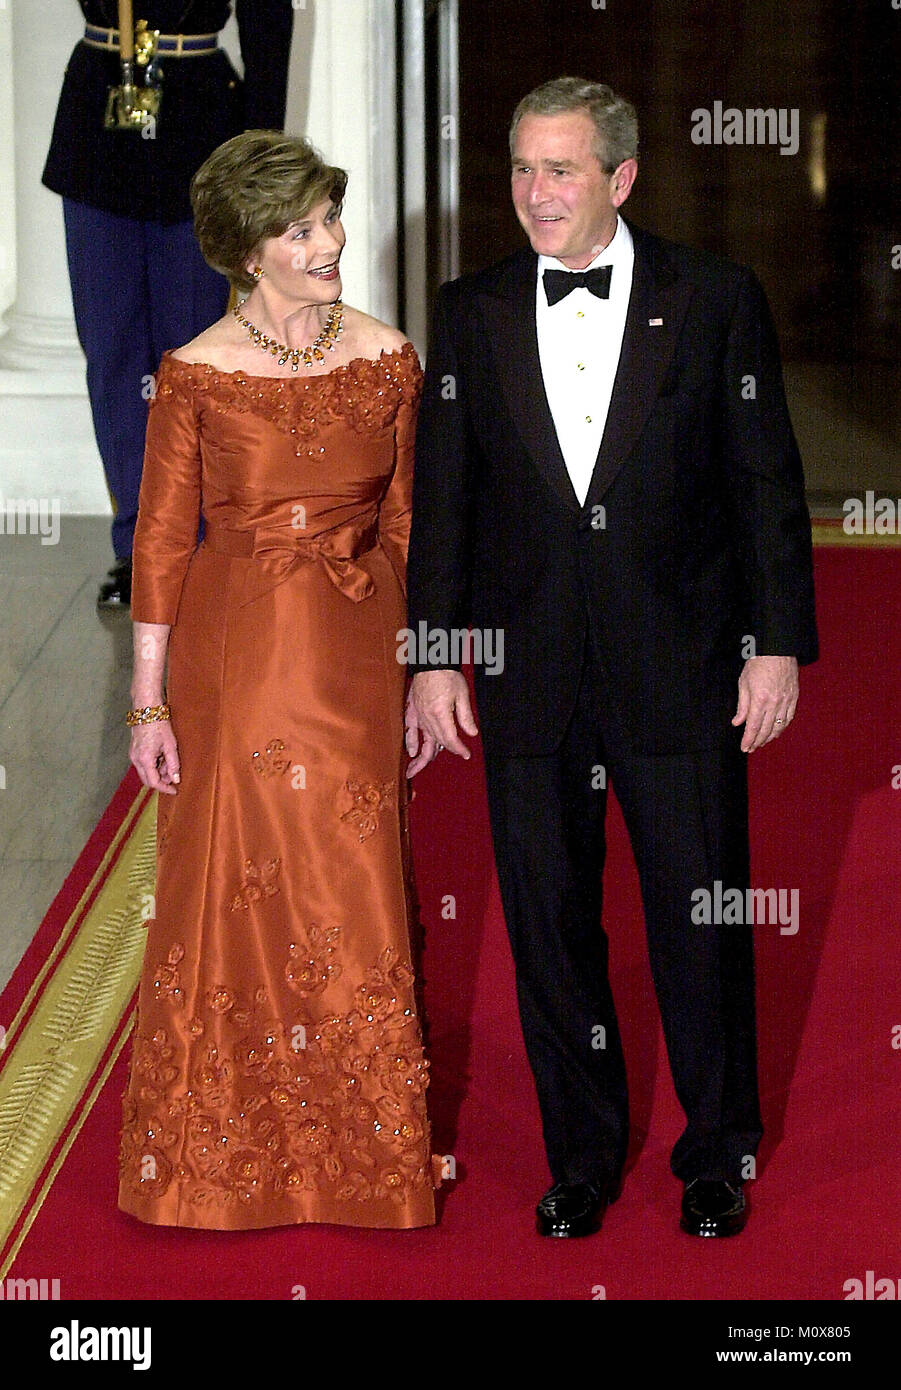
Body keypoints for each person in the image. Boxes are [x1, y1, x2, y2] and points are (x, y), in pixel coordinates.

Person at [405, 77, 817, 1239]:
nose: (536, 194)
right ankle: (578, 1154)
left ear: (621, 179)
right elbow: (448, 502)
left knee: (698, 916)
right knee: (547, 923)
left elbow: (763, 486)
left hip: (680, 667)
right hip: (526, 675)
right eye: (523, 168)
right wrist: (435, 658)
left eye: (562, 170)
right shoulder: (471, 307)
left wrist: (775, 642)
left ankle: (715, 1149)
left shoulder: (715, 300)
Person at [118, 130, 438, 1230]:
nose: (331, 243)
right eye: (300, 229)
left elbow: (408, 522)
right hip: (240, 657)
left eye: (328, 219)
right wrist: (148, 700)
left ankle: (364, 1153)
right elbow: (161, 542)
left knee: (350, 886)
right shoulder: (197, 371)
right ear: (249, 253)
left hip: (356, 647)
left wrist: (421, 668)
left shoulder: (390, 356)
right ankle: (224, 1151)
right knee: (239, 887)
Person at [42, 1, 295, 608]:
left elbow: (268, 20)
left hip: (197, 123)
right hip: (99, 119)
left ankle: (197, 541)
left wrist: (259, 154)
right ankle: (138, 548)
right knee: (112, 355)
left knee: (192, 359)